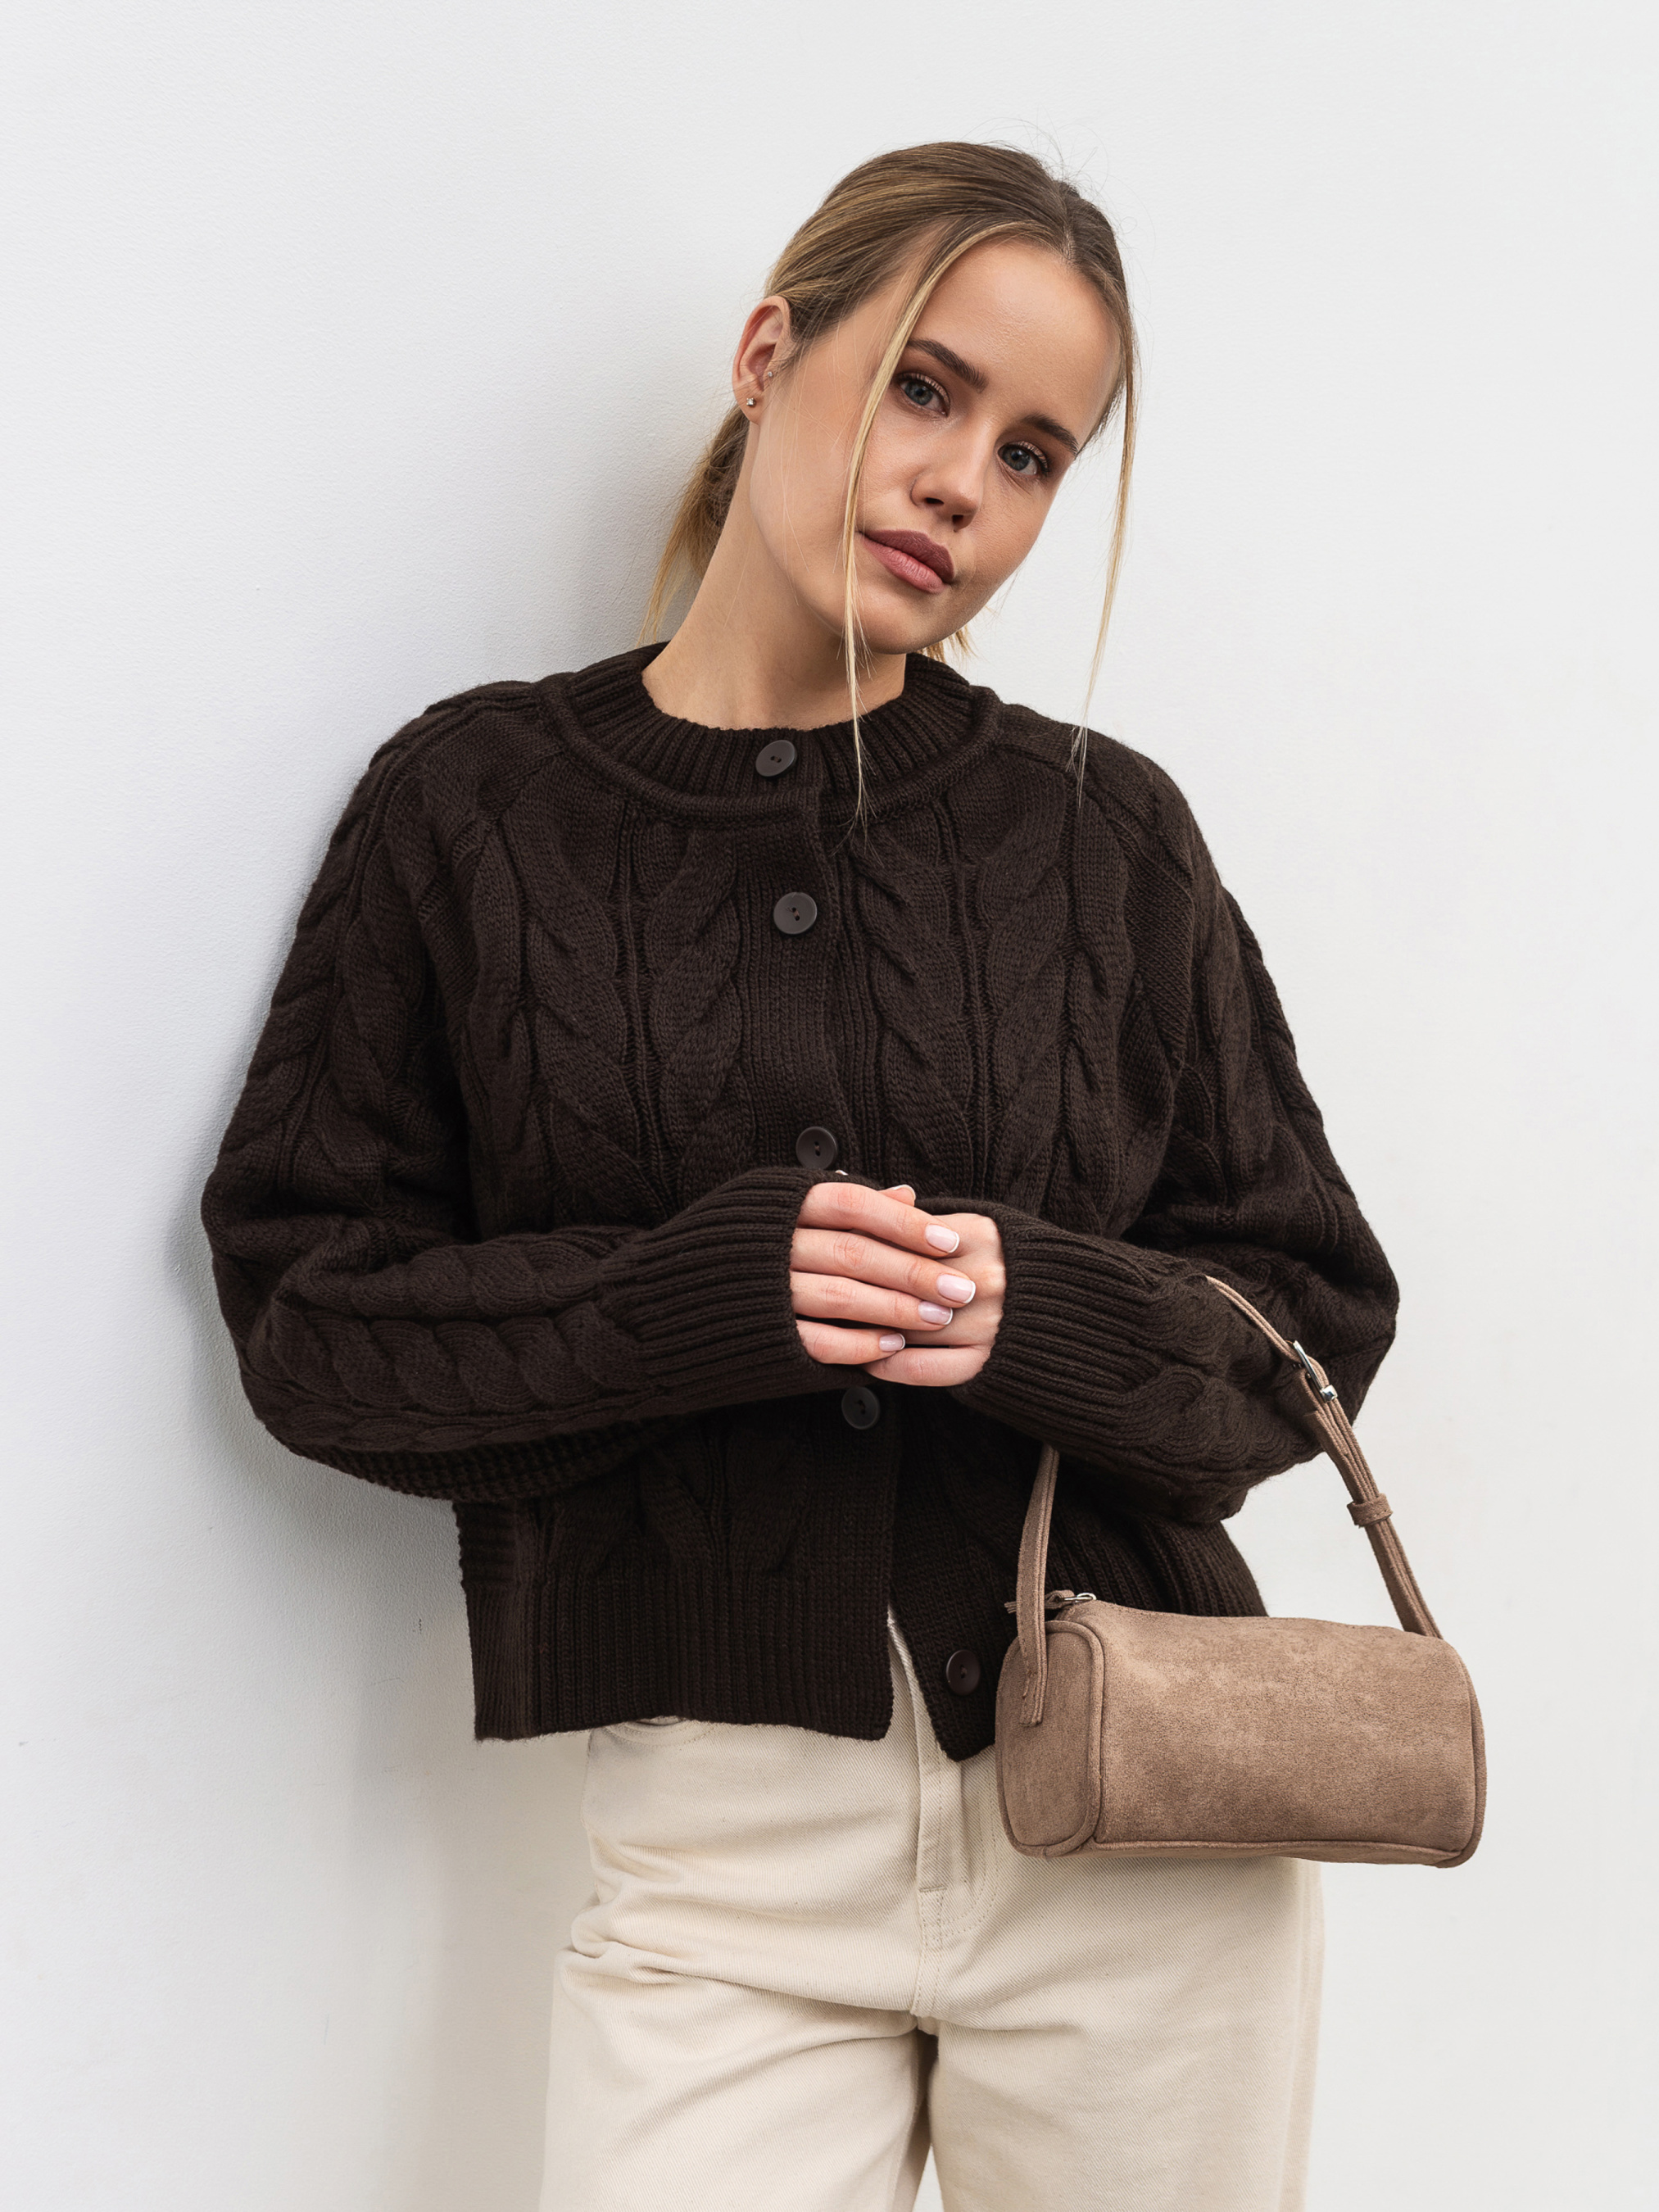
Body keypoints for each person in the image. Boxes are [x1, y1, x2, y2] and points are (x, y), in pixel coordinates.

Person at [201, 142, 1397, 2212]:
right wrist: (688, 1303)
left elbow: (1307, 1312)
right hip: (716, 1858)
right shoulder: (471, 809)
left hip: (1138, 1829)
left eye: (1031, 454)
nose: (960, 485)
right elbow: (314, 1326)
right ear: (769, 353)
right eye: (923, 388)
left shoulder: (1103, 836)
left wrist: (1039, 1315)